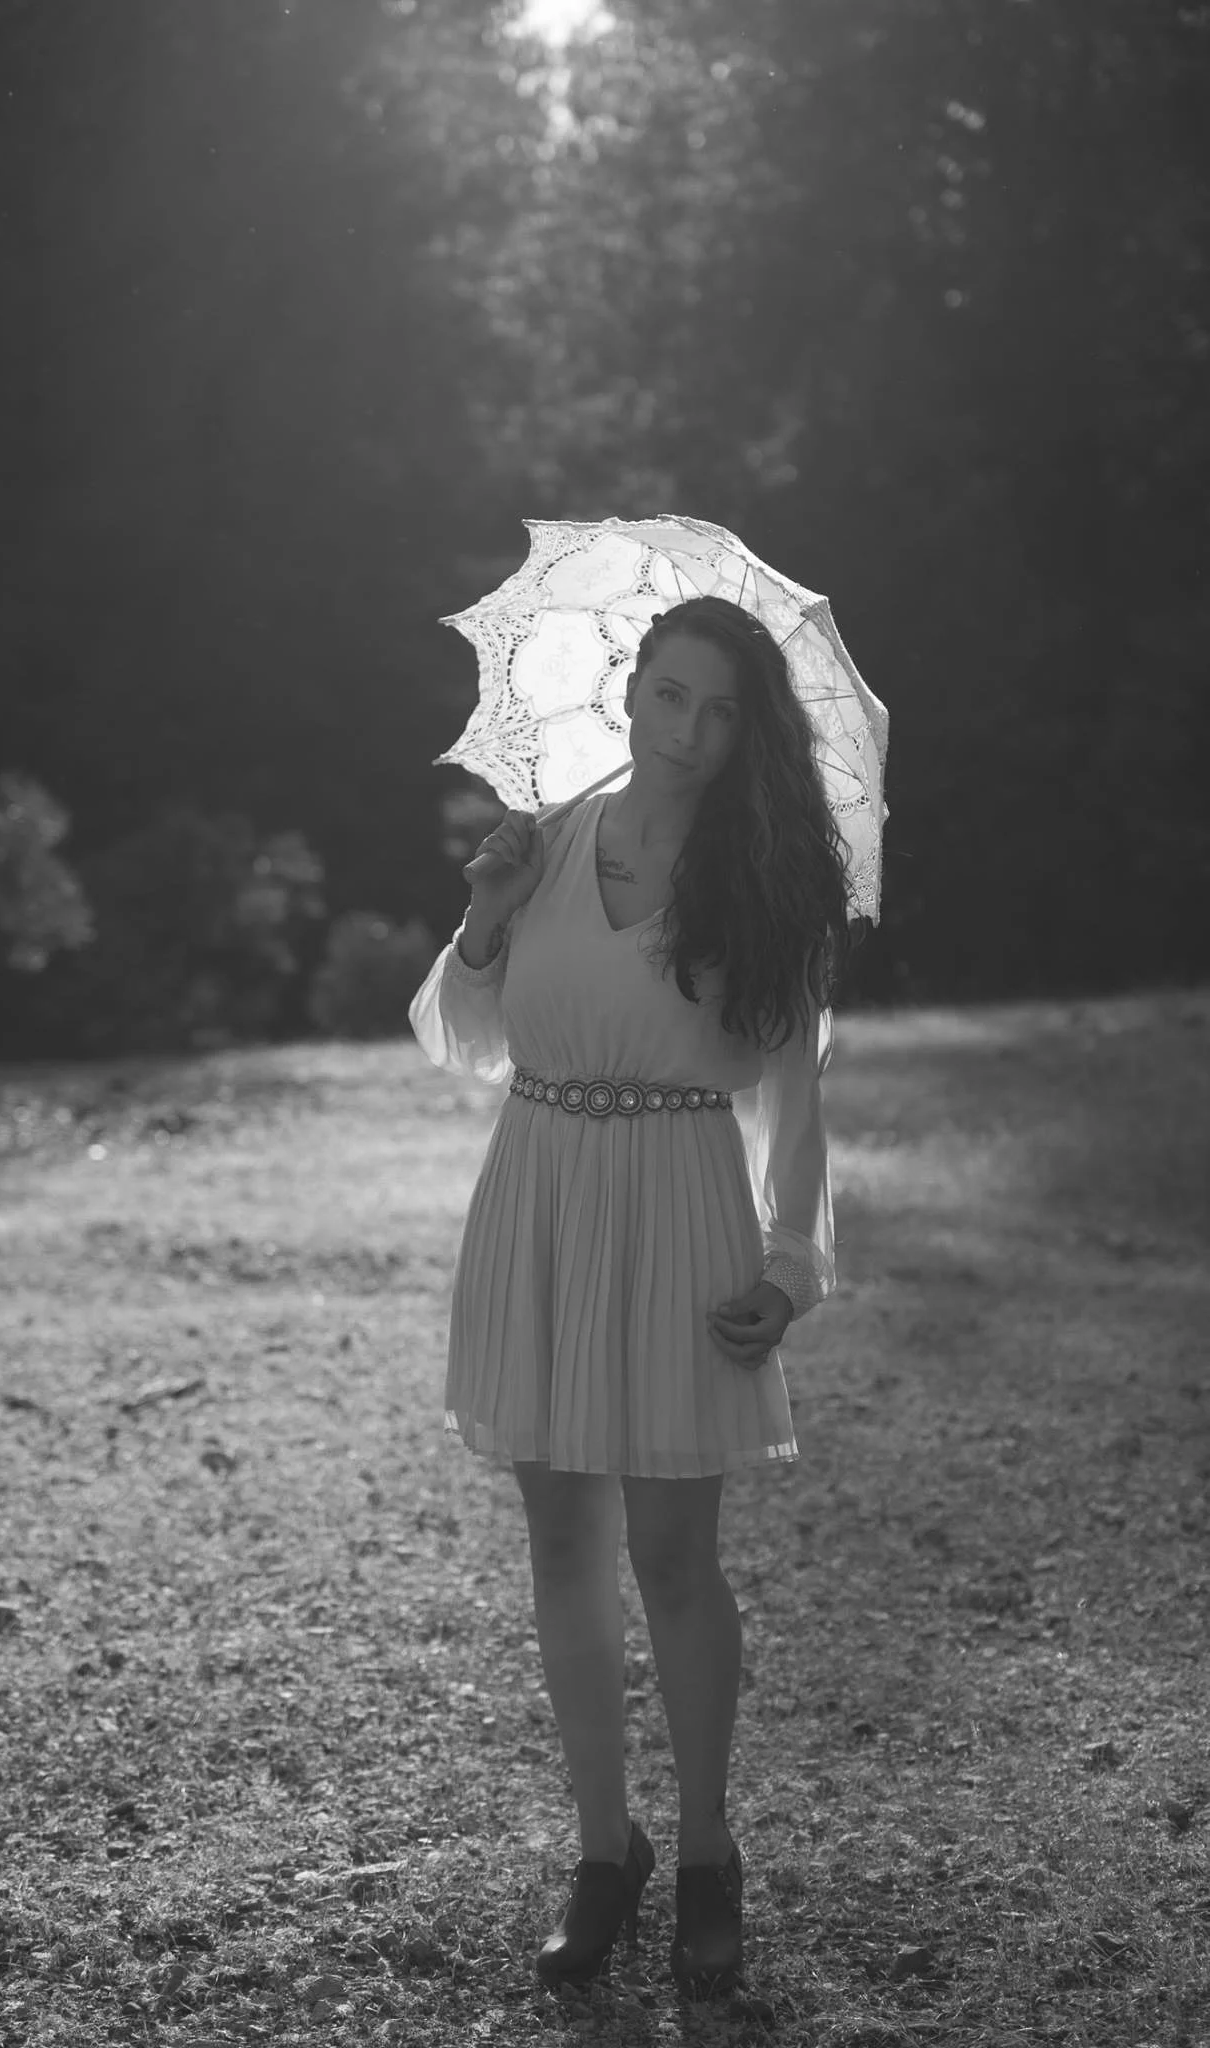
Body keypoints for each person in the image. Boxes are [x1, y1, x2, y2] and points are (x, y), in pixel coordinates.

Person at [407, 595, 849, 1998]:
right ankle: (607, 1849)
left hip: (678, 1207)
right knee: (560, 1545)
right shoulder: (541, 844)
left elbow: (795, 1103)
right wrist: (485, 913)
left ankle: (708, 1849)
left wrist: (788, 1266)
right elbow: (462, 1035)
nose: (688, 732)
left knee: (672, 1556)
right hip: (537, 1191)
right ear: (629, 691)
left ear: (747, 732)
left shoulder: (767, 882)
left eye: (720, 711)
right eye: (669, 695)